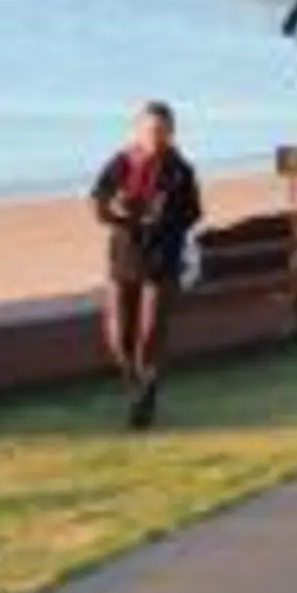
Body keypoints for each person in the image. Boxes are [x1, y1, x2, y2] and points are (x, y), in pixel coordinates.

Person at [89, 100, 203, 430]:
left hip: (163, 259)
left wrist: (163, 218)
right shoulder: (121, 162)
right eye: (152, 130)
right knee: (119, 337)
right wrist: (117, 211)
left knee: (151, 334)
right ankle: (139, 386)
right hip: (125, 256)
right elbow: (98, 201)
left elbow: (193, 213)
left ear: (172, 133)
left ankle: (146, 399)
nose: (158, 136)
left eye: (164, 131)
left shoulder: (180, 169)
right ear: (138, 130)